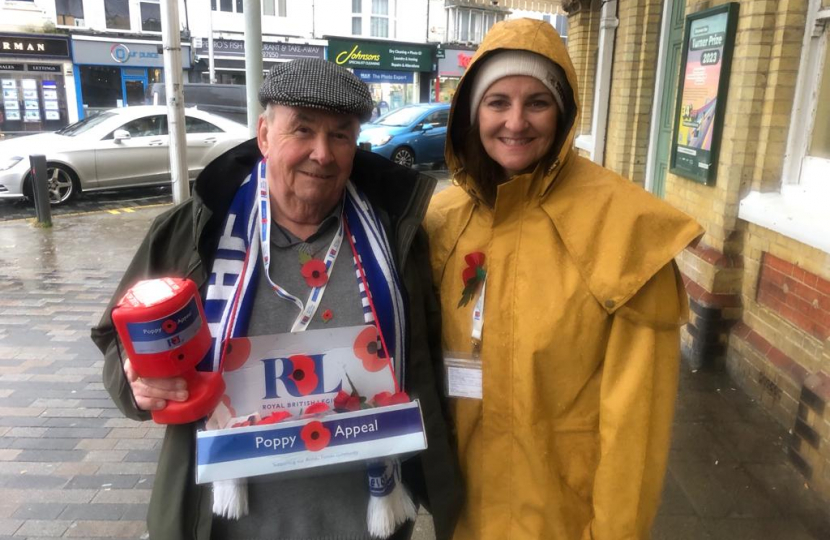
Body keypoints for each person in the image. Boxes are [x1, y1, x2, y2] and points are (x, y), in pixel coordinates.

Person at [92, 58, 462, 540]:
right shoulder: (195, 231)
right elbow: (117, 342)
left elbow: (429, 359)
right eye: (302, 130)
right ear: (264, 135)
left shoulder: (397, 235)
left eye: (341, 135)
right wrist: (138, 385)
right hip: (225, 521)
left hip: (368, 520)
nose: (322, 154)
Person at [425, 18, 704, 540]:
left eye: (537, 102)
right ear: (471, 113)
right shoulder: (441, 220)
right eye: (497, 101)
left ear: (564, 112)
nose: (515, 122)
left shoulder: (625, 229)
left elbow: (637, 422)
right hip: (467, 511)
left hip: (565, 517)